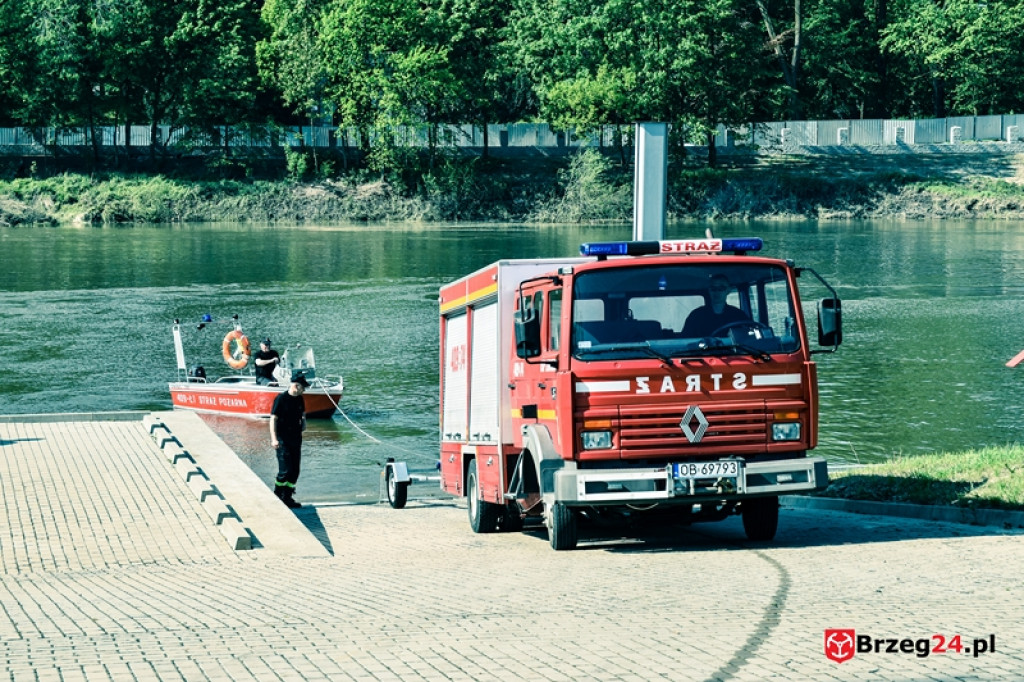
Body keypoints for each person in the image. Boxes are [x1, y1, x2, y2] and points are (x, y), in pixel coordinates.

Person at [269, 373, 309, 509]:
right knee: (285, 470)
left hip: (296, 438)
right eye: (303, 388)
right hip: (282, 439)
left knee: (295, 470)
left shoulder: (300, 399)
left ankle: (287, 497)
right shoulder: (281, 399)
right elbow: (273, 419)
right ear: (296, 386)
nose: (304, 390)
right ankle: (277, 495)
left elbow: (302, 413)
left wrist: (304, 422)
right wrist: (274, 439)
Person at [682, 274, 750, 337]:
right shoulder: (696, 315)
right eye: (713, 289)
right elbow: (685, 340)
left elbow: (749, 336)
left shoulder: (739, 315)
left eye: (721, 288)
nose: (717, 292)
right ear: (709, 290)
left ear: (728, 290)